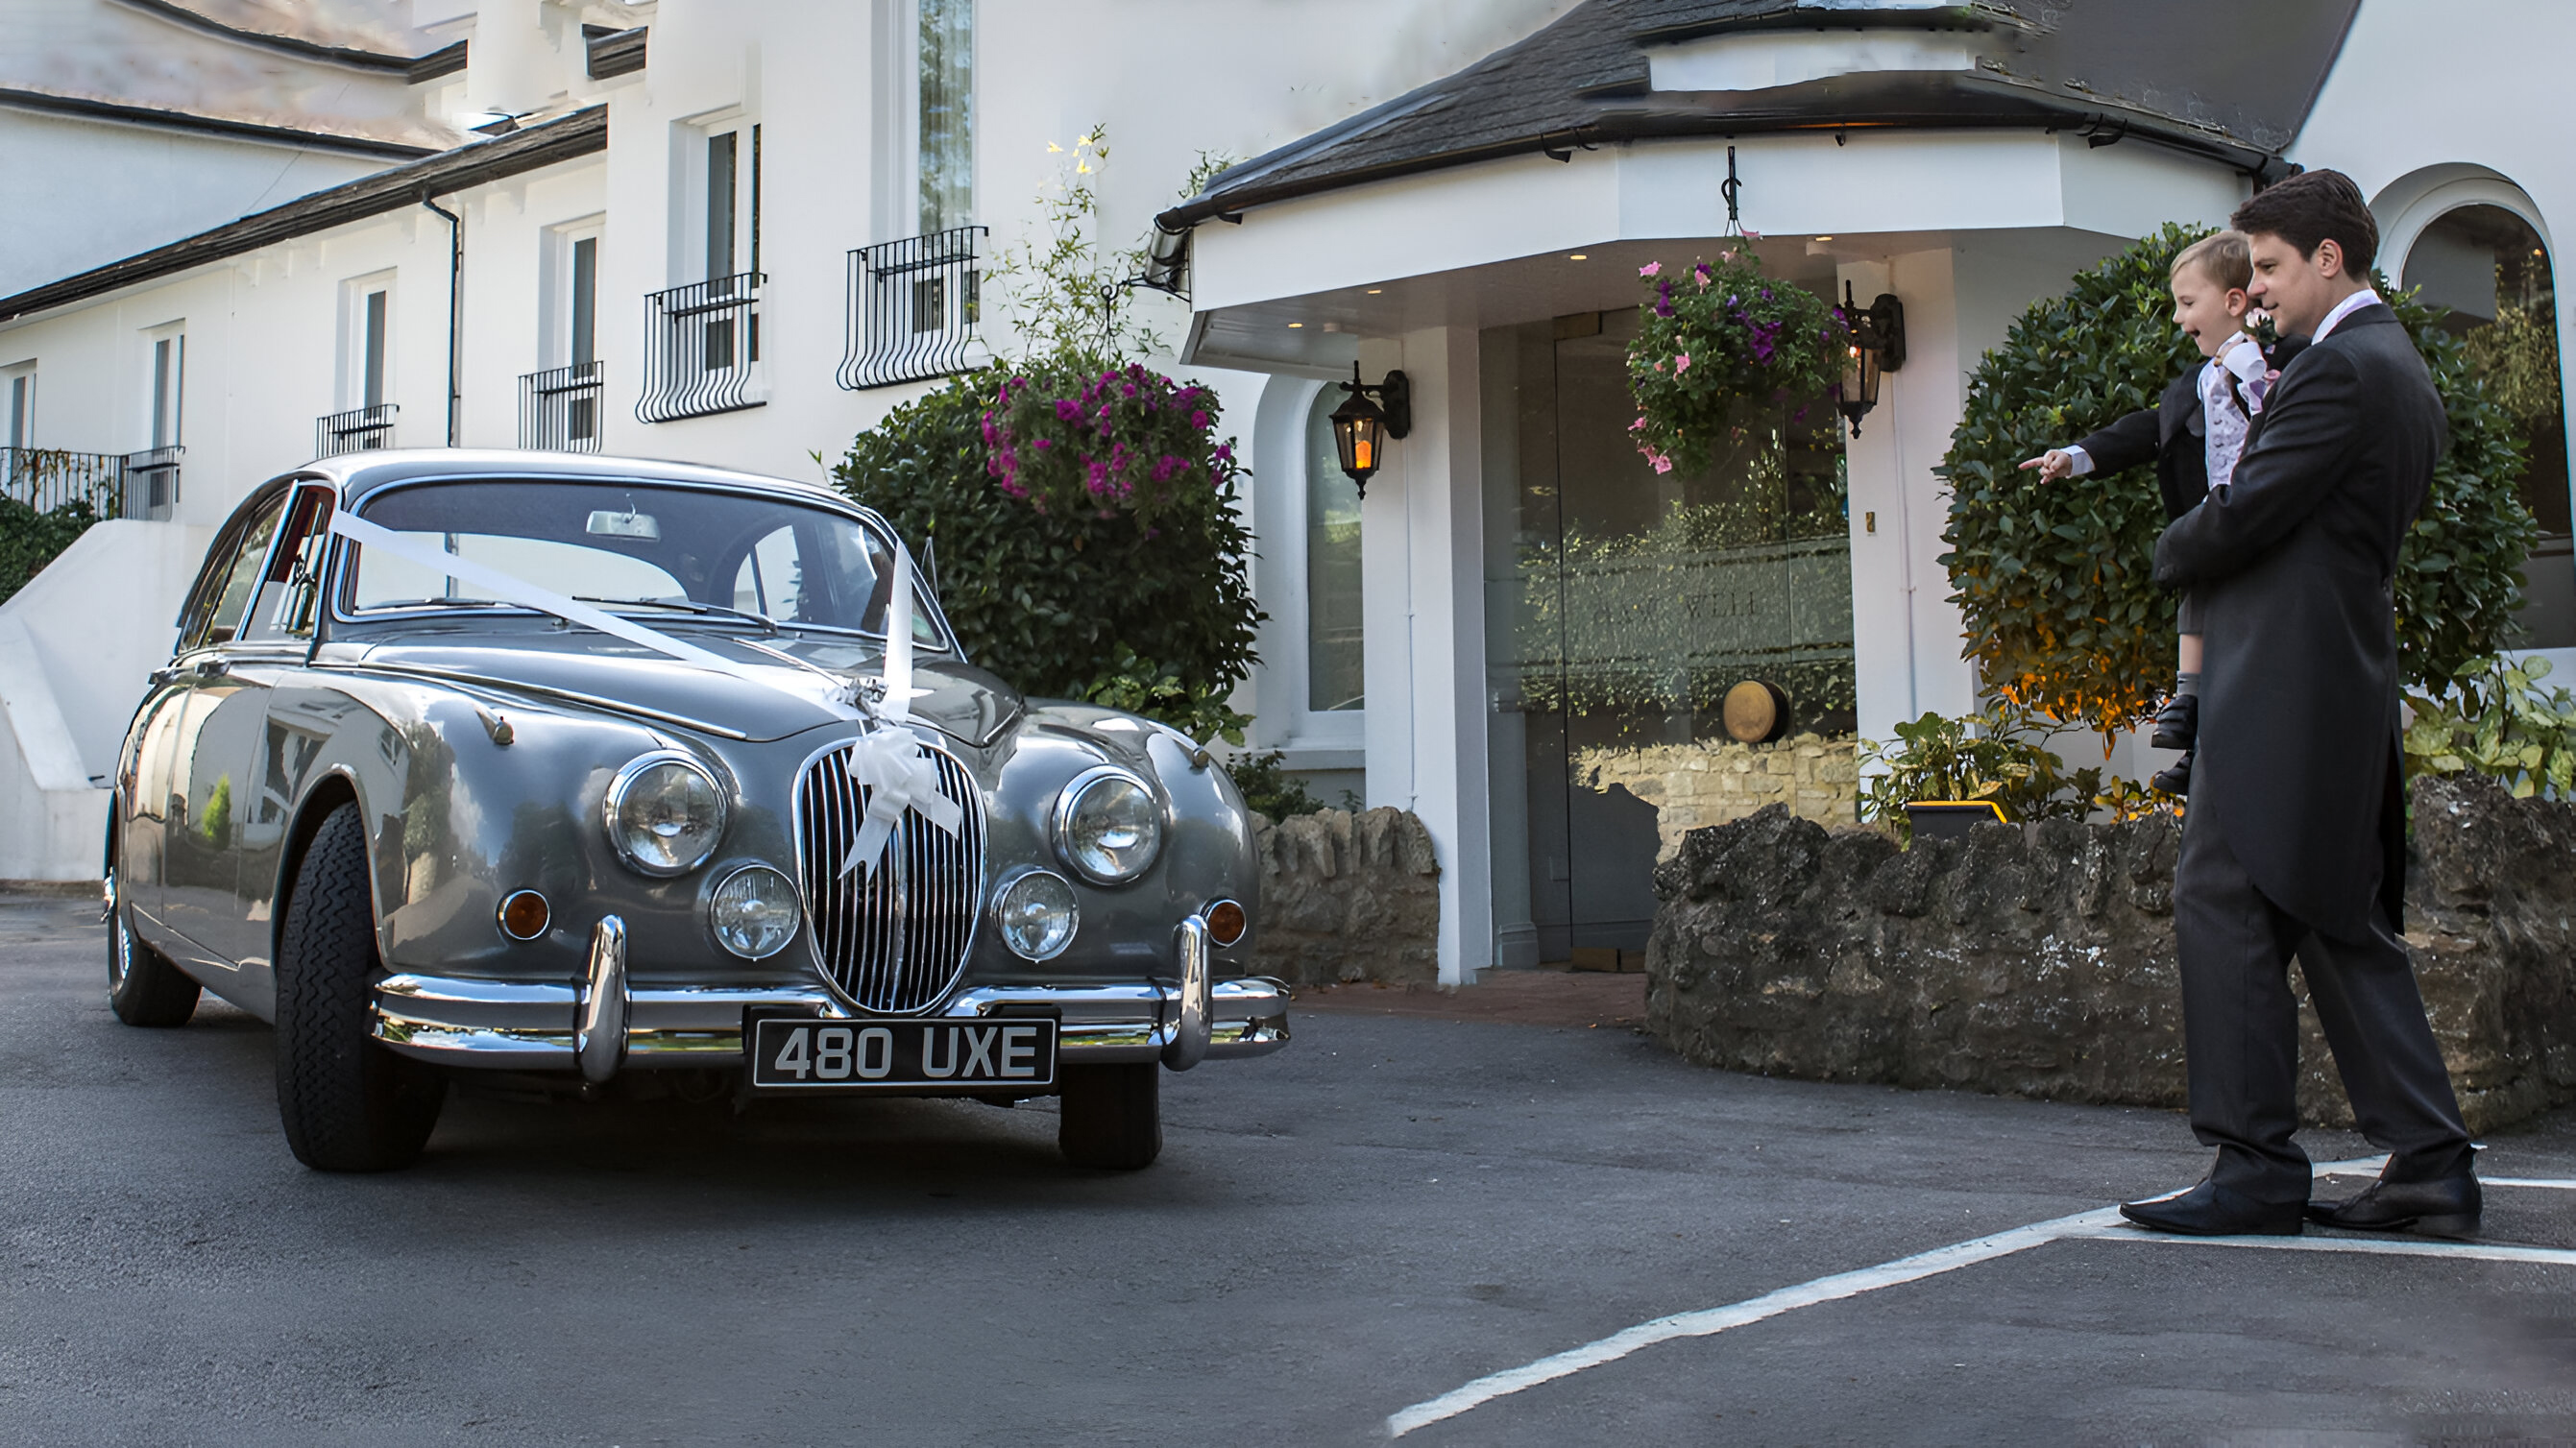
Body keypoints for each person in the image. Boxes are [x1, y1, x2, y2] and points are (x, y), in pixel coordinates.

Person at [2120, 170, 2479, 1239]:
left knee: (2221, 904)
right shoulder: (2391, 364)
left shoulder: (2339, 372)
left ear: (2330, 259)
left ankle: (2254, 1166)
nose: (2257, 290)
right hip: (2333, 678)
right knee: (2332, 918)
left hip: (2282, 685)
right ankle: (2429, 1161)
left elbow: (2243, 513)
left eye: (2270, 267)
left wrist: (2168, 545)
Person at [2021, 230, 2285, 795]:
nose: (2176, 318)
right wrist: (2074, 457)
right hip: (2216, 525)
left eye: (2188, 304)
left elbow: (2280, 407)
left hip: (2267, 528)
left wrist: (2248, 357)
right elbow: (2145, 432)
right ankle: (2190, 718)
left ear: (2236, 302)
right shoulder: (2194, 383)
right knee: (2196, 593)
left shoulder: (2272, 361)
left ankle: (2205, 725)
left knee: (2246, 652)